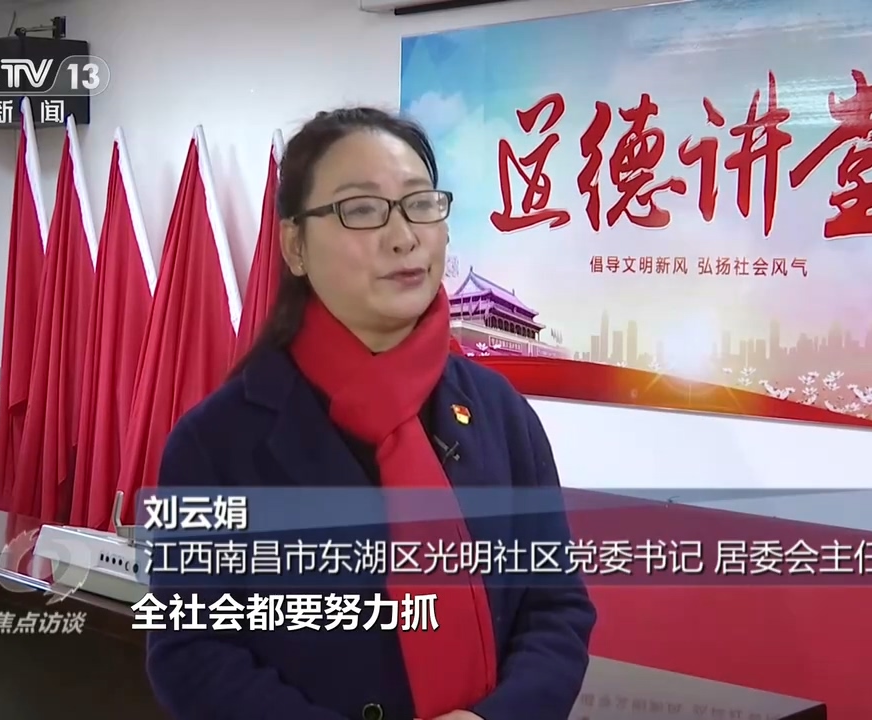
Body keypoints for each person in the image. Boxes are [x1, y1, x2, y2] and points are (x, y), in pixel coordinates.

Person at [144, 107, 596, 720]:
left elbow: (555, 607)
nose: (403, 236)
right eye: (361, 210)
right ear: (295, 246)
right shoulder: (215, 443)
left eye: (420, 204)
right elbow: (191, 652)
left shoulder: (501, 413)